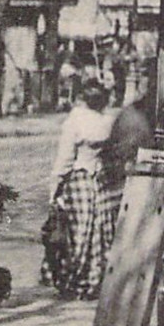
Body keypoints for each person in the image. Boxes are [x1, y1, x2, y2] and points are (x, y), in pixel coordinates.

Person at [42, 84, 120, 299]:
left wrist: (54, 190)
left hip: (80, 180)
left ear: (82, 99)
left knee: (77, 230)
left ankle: (74, 278)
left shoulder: (75, 121)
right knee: (101, 229)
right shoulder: (107, 122)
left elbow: (64, 161)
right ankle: (96, 279)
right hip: (101, 181)